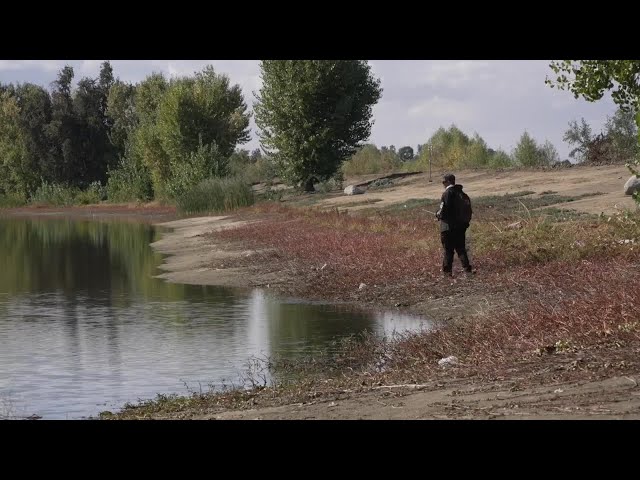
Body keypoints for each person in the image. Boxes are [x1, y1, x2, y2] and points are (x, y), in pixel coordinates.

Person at [435, 173, 473, 276]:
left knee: (448, 251)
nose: (442, 184)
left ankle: (447, 273)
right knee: (461, 249)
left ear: (448, 182)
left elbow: (444, 210)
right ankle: (467, 270)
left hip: (448, 227)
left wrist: (438, 215)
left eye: (443, 182)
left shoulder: (447, 193)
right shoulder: (462, 194)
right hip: (461, 227)